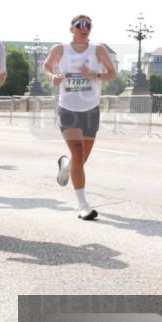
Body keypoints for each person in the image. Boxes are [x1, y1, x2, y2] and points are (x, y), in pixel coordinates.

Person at [42, 15, 118, 220]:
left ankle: (66, 166)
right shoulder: (60, 49)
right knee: (77, 150)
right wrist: (52, 77)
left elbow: (112, 74)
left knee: (80, 160)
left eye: (88, 25)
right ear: (71, 29)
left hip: (91, 109)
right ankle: (83, 206)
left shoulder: (98, 50)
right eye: (80, 25)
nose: (84, 28)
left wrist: (94, 75)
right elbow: (47, 66)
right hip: (68, 108)